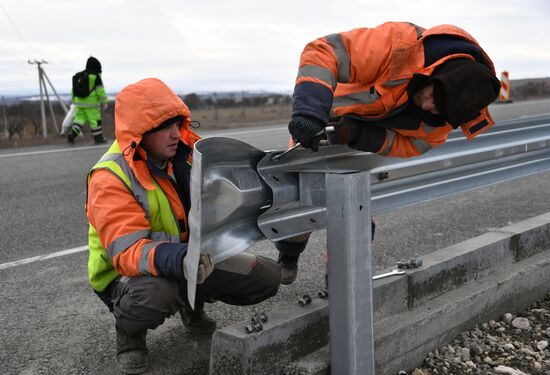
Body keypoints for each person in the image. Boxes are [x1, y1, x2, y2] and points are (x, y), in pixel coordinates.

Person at [277, 22, 501, 284]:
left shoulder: (444, 121)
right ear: (438, 75)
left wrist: (360, 135)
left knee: (354, 211)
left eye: (438, 108)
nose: (428, 106)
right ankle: (289, 257)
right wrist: (309, 114)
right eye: (432, 95)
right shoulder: (399, 45)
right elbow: (322, 51)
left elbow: (410, 145)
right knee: (303, 200)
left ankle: (342, 279)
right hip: (317, 120)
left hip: (358, 144)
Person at [86, 78, 281, 374]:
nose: (176, 133)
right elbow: (127, 253)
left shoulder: (187, 155)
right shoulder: (110, 177)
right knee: (156, 295)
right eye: (165, 127)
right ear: (140, 133)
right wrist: (181, 261)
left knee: (266, 277)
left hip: (185, 260)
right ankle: (130, 332)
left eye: (178, 123)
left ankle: (191, 303)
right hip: (127, 276)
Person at [68, 56, 109, 144]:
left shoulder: (80, 75)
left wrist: (74, 100)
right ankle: (98, 138)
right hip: (91, 104)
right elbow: (100, 90)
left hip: (79, 103)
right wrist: (104, 102)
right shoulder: (95, 76)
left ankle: (72, 133)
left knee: (79, 119)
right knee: (95, 121)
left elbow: (74, 89)